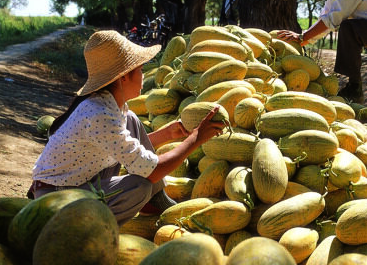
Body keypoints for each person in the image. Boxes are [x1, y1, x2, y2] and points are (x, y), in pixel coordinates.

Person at [29, 30, 224, 225]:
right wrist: (196, 138)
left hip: (78, 180)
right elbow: (152, 170)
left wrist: (167, 134)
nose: (143, 75)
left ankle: (156, 200)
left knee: (131, 120)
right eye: (140, 70)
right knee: (139, 186)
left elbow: (122, 148)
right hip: (55, 197)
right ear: (123, 77)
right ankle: (94, 232)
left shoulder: (112, 105)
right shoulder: (99, 114)